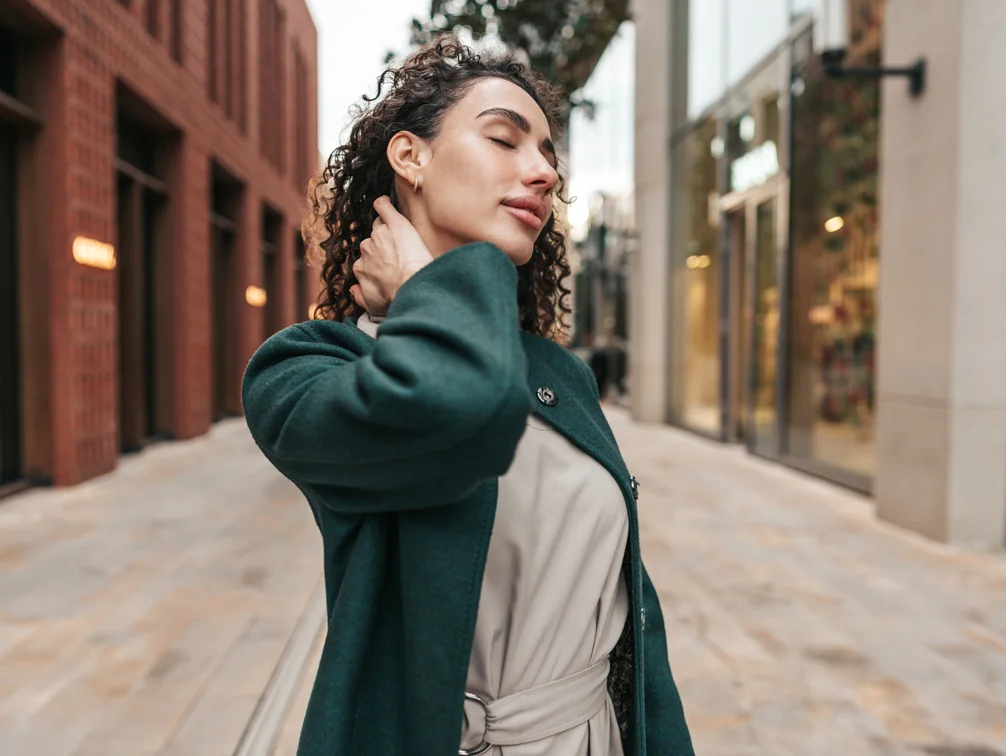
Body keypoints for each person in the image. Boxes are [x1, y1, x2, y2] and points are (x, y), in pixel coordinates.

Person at [242, 36, 693, 756]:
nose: (543, 171)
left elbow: (631, 621)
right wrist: (431, 290)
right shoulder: (305, 372)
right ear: (410, 157)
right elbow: (465, 413)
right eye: (504, 140)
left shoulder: (558, 373)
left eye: (548, 153)